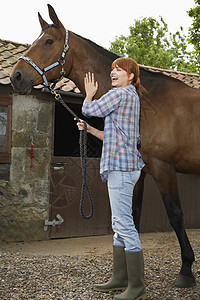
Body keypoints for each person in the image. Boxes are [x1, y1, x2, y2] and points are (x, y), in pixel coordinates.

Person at [76, 57, 147, 300]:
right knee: (119, 224)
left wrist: (89, 94)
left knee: (124, 223)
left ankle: (137, 287)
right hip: (125, 166)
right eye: (112, 69)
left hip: (121, 169)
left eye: (119, 69)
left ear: (131, 77)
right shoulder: (130, 98)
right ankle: (120, 279)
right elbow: (114, 136)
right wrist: (90, 129)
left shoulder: (121, 94)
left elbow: (90, 109)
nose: (113, 72)